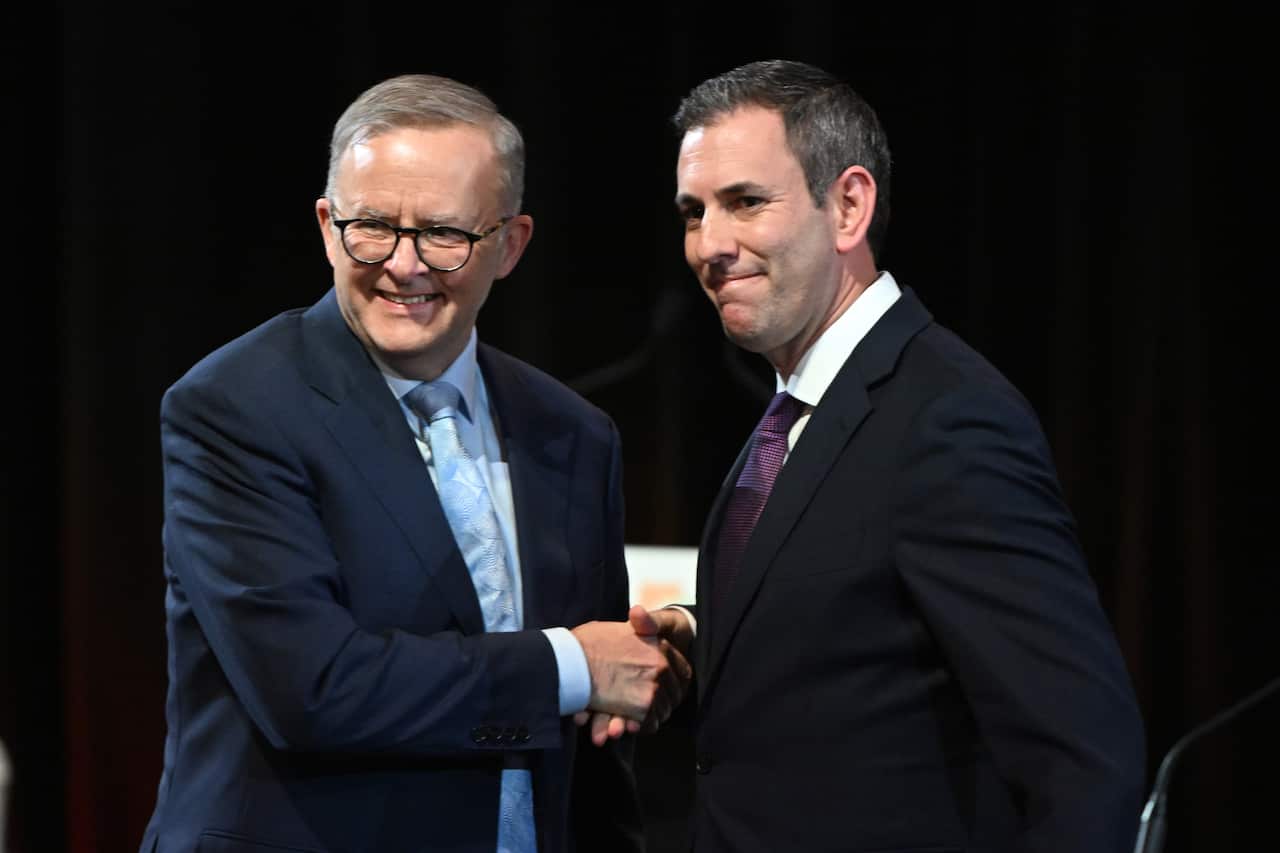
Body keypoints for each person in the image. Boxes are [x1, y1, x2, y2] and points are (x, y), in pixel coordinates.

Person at [591, 59, 1148, 852]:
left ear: (848, 205)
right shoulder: (799, 407)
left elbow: (1084, 756)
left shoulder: (947, 420)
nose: (709, 244)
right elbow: (849, 624)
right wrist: (695, 633)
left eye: (745, 202)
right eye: (693, 212)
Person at [139, 73, 688, 853]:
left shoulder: (574, 433)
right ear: (328, 226)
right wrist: (572, 663)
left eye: (444, 234)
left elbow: (595, 752)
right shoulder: (234, 407)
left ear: (510, 244)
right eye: (372, 227)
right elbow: (314, 689)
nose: (403, 264)